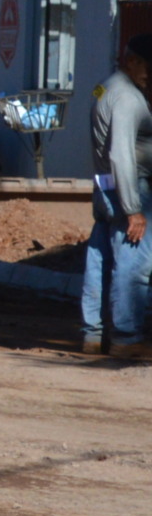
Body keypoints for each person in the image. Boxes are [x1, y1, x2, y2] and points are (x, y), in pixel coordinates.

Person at [83, 34, 152, 353]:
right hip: (128, 186)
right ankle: (126, 337)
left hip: (104, 185)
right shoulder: (128, 99)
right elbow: (121, 152)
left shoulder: (103, 87)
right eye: (147, 67)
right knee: (132, 263)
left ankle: (93, 334)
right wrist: (133, 208)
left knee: (100, 256)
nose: (149, 76)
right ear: (132, 60)